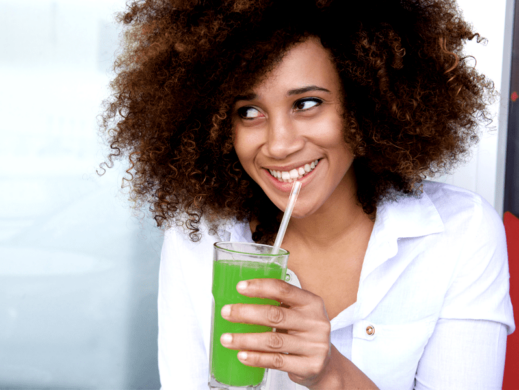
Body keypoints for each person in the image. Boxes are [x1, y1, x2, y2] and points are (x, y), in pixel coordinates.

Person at [99, 0, 515, 388]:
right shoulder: (201, 238)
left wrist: (332, 373)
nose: (279, 145)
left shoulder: (460, 234)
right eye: (249, 112)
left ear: (364, 103)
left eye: (307, 103)